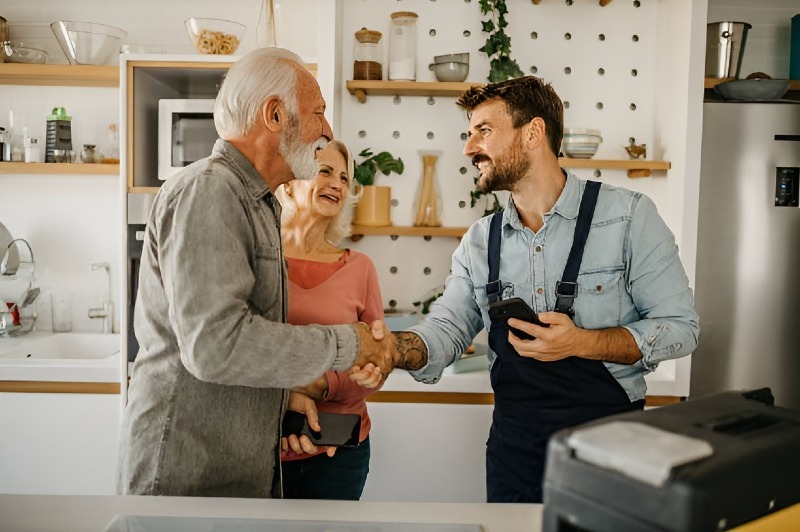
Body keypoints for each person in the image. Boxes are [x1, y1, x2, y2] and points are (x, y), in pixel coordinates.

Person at [388, 76, 700, 503]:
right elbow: (447, 330)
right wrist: (391, 349)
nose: (468, 148)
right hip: (515, 457)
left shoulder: (628, 217)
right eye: (468, 133)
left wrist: (582, 343)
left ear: (533, 133)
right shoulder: (480, 241)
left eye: (483, 131)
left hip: (613, 457)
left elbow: (682, 329)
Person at [116, 47, 393, 498]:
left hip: (225, 477)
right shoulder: (211, 191)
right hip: (188, 480)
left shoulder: (255, 203)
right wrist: (348, 344)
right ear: (276, 114)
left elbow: (231, 350)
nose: (326, 130)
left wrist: (282, 399)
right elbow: (214, 344)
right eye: (318, 112)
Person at [275, 140, 383, 500]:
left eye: (343, 178)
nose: (337, 183)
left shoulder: (360, 267)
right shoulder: (262, 259)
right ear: (288, 182)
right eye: (324, 172)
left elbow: (374, 364)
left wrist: (321, 385)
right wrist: (285, 399)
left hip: (339, 453)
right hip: (265, 448)